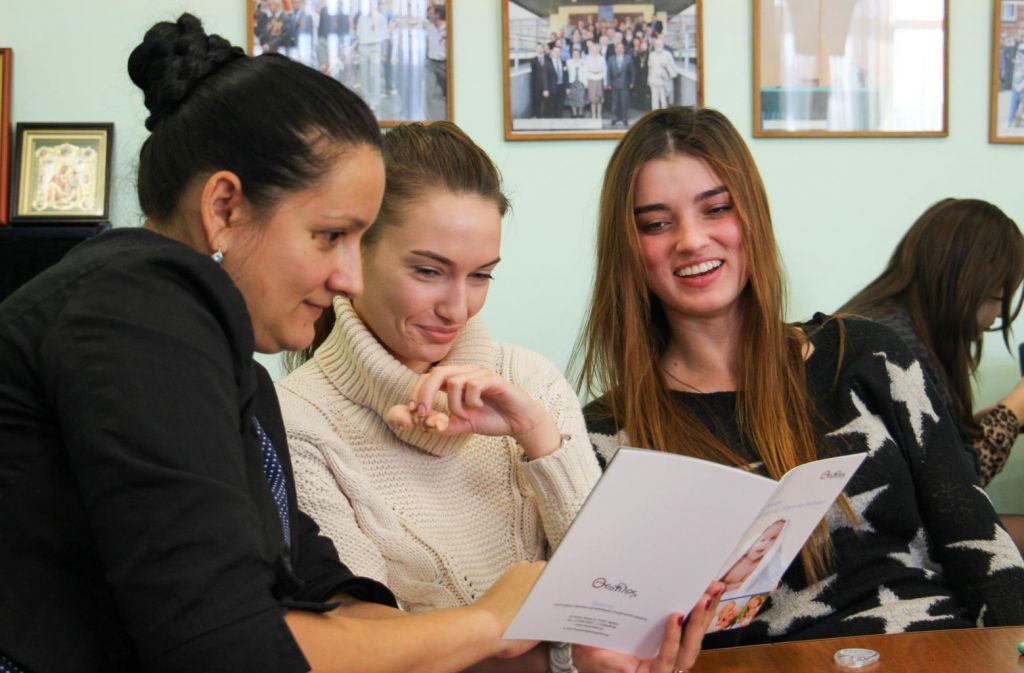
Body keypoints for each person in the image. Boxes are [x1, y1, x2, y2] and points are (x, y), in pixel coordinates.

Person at [0, 15, 715, 673]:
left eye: (481, 274)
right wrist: (493, 622)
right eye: (330, 236)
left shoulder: (234, 376)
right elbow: (230, 644)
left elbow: (325, 596)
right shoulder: (135, 311)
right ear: (223, 208)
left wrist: (536, 642)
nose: (346, 277)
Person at [577, 106, 1024, 648]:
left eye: (716, 208)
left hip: (938, 649)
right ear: (628, 248)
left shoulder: (870, 358)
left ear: (752, 216)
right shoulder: (606, 438)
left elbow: (981, 548)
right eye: (656, 224)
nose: (691, 240)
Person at [840, 198, 1024, 486]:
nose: (1001, 311)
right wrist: (1016, 407)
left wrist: (996, 416)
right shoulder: (896, 349)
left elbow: (926, 451)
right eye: (1000, 292)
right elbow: (956, 487)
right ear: (969, 281)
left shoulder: (877, 323)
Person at [718, 520, 787, 594]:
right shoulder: (737, 558)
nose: (764, 543)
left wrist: (725, 587)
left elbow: (743, 585)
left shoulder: (758, 567)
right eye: (763, 538)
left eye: (773, 538)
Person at [607, 41, 634, 126]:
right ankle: (615, 117)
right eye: (617, 48)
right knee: (615, 102)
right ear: (615, 49)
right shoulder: (611, 59)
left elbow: (632, 72)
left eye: (621, 48)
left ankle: (624, 117)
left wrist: (632, 82)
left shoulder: (628, 58)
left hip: (624, 84)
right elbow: (608, 72)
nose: (619, 49)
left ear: (623, 49)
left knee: (624, 102)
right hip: (614, 84)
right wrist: (609, 83)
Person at [647, 38, 677, 110]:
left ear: (663, 45)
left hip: (664, 81)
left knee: (663, 101)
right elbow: (649, 68)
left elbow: (674, 68)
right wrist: (648, 79)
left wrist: (666, 66)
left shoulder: (668, 54)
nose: (658, 46)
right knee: (654, 100)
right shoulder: (651, 55)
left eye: (659, 44)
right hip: (653, 80)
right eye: (656, 44)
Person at [582, 42, 607, 121]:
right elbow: (585, 71)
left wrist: (605, 82)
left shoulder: (602, 58)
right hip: (591, 79)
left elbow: (605, 71)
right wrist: (585, 83)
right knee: (592, 99)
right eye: (593, 50)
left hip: (600, 79)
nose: (595, 51)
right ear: (591, 50)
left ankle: (599, 114)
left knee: (599, 99)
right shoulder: (587, 58)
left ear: (599, 50)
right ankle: (593, 115)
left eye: (596, 49)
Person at [566, 47, 587, 118]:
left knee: (581, 98)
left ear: (580, 54)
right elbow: (567, 73)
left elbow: (586, 72)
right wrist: (567, 86)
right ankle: (574, 113)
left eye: (577, 53)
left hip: (581, 82)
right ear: (572, 54)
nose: (576, 55)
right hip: (572, 82)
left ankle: (581, 113)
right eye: (574, 54)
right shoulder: (568, 62)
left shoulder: (584, 62)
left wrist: (586, 83)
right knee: (572, 98)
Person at [530, 43, 550, 118]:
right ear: (536, 49)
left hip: (547, 84)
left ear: (543, 49)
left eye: (541, 48)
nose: (539, 49)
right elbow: (533, 74)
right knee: (537, 101)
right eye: (538, 48)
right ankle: (538, 116)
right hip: (537, 85)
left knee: (547, 101)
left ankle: (546, 116)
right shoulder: (533, 60)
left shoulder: (548, 58)